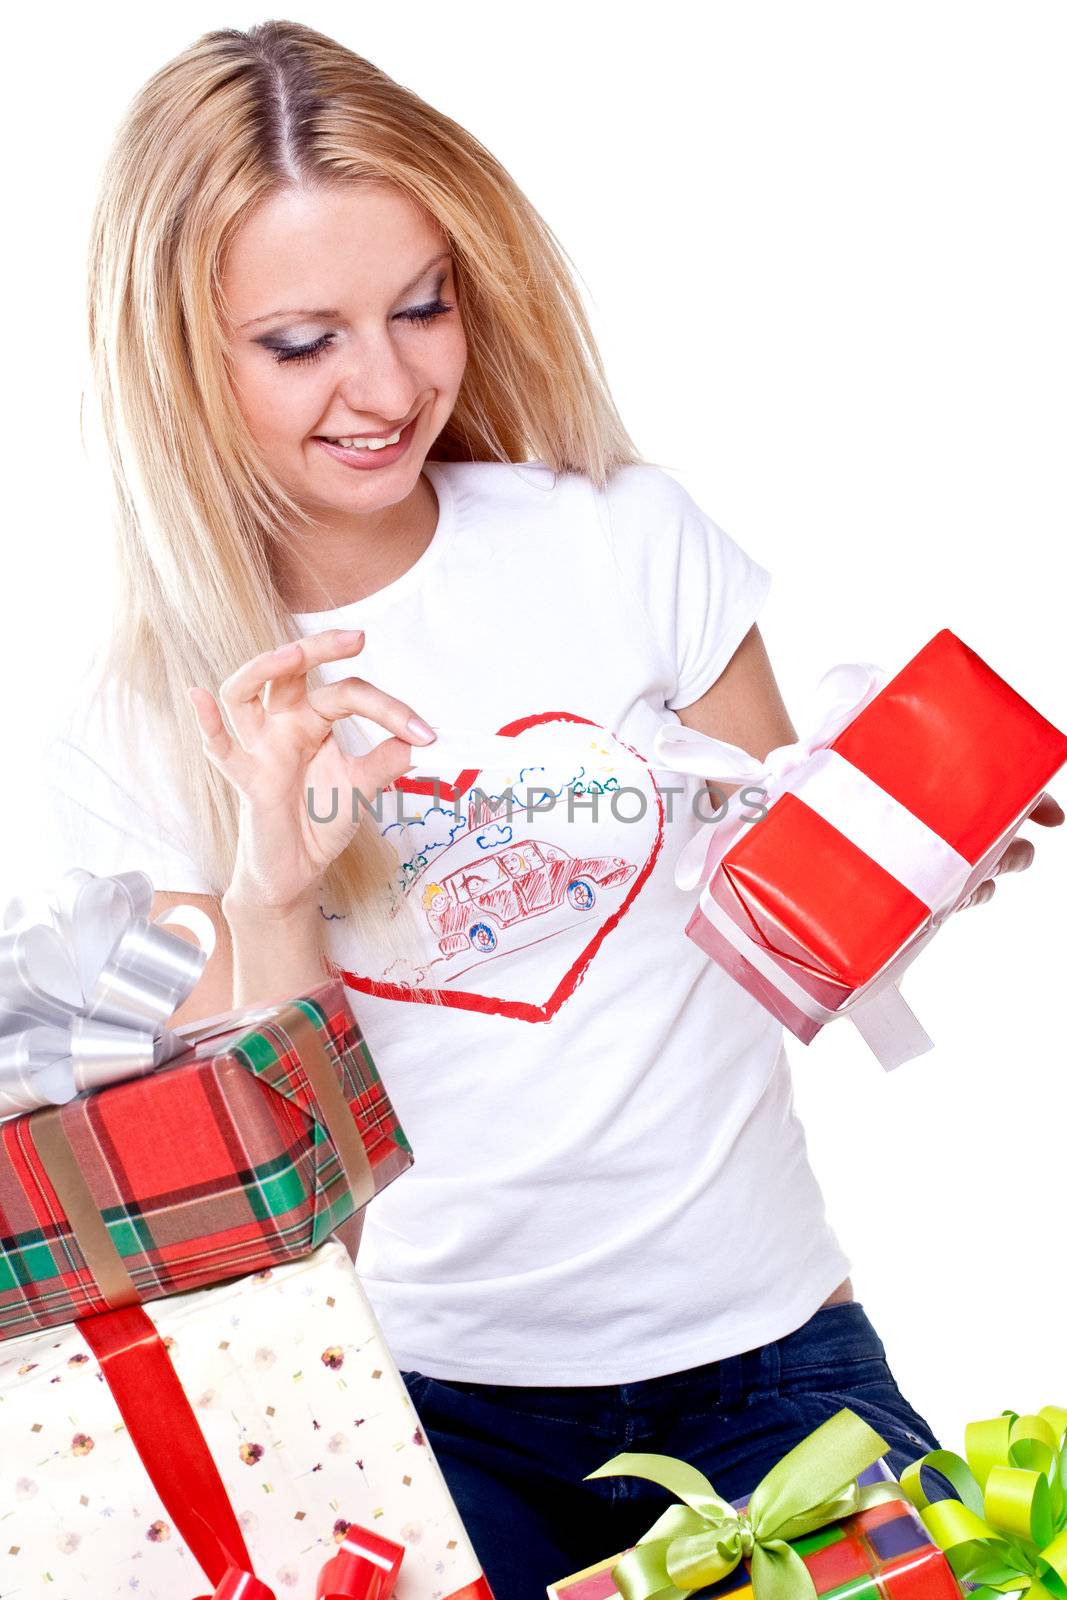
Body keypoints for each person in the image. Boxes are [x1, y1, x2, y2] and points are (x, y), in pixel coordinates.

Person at [42, 20, 1060, 1600]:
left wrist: (915, 854)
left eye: (422, 306)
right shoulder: (135, 711)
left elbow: (783, 942)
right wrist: (276, 879)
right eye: (302, 342)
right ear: (176, 355)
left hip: (772, 1362)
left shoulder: (624, 540)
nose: (387, 386)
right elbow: (275, 1196)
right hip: (426, 1409)